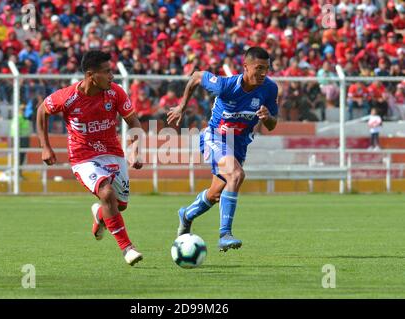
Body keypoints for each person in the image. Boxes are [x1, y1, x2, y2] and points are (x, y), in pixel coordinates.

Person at [36, 50, 144, 266]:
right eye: (106, 72)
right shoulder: (68, 97)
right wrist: (45, 147)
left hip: (112, 153)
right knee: (106, 192)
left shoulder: (115, 93)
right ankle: (127, 248)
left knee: (119, 205)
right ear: (90, 75)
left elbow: (134, 123)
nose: (111, 76)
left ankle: (100, 215)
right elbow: (42, 111)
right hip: (83, 157)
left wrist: (134, 150)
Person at [167, 47, 278, 252]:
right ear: (246, 67)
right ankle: (224, 234)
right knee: (236, 175)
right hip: (215, 137)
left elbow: (272, 125)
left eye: (266, 69)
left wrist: (267, 117)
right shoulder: (225, 86)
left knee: (215, 193)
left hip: (239, 144)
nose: (263, 73)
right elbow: (196, 76)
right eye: (259, 68)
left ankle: (186, 214)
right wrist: (182, 106)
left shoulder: (270, 89)